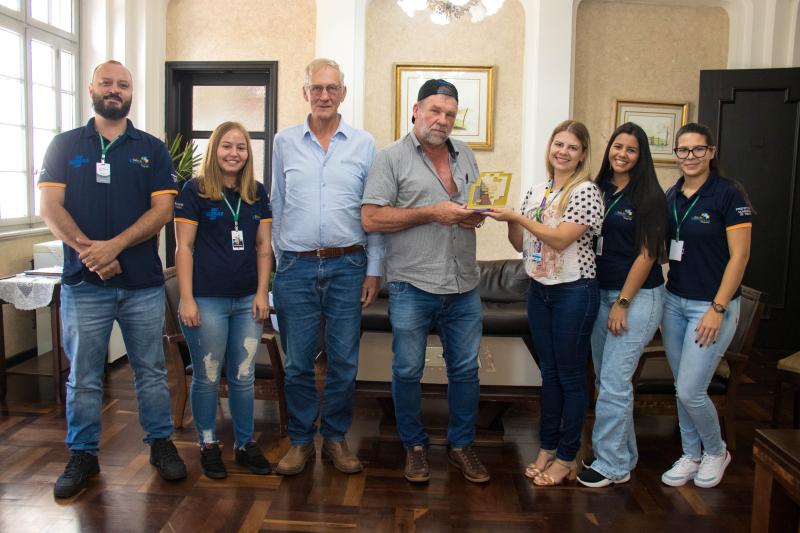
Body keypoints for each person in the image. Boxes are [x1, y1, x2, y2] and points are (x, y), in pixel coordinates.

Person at [38, 60, 186, 498]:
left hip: (141, 284)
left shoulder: (153, 149)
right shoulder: (64, 146)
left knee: (151, 372)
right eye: (107, 82)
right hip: (84, 285)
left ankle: (161, 444)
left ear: (131, 93)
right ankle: (83, 454)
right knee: (83, 376)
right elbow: (50, 209)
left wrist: (114, 246)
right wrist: (93, 252)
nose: (115, 90)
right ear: (91, 88)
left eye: (123, 84)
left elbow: (161, 212)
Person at [362, 79, 490, 484]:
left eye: (450, 114)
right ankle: (414, 446)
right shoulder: (391, 158)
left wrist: (478, 213)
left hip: (464, 283)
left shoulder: (466, 153)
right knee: (407, 370)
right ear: (415, 110)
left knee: (466, 371)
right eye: (435, 110)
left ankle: (461, 446)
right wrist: (431, 212)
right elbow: (371, 218)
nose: (442, 120)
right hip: (412, 285)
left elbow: (479, 202)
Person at [271, 58, 384, 475]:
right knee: (298, 362)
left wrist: (373, 269)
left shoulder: (364, 144)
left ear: (343, 94)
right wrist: (281, 260)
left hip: (348, 266)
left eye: (331, 88)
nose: (323, 95)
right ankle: (300, 442)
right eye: (316, 88)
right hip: (296, 268)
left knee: (343, 362)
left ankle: (335, 439)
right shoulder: (284, 141)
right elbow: (278, 203)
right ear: (305, 92)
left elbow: (373, 211)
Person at [487, 120, 603, 486]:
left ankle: (568, 455)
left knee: (571, 376)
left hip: (574, 291)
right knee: (549, 374)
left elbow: (560, 240)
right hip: (540, 290)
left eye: (572, 147)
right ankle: (546, 446)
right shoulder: (537, 190)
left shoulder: (585, 192)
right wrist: (504, 217)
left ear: (583, 154)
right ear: (549, 147)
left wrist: (517, 216)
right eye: (558, 144)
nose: (563, 152)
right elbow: (523, 245)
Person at [174, 121, 273, 479]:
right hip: (207, 300)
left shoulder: (257, 192)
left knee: (244, 376)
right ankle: (207, 444)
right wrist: (186, 298)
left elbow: (264, 246)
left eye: (241, 148)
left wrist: (263, 292)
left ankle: (245, 444)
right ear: (215, 149)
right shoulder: (194, 191)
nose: (234, 153)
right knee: (207, 376)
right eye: (227, 146)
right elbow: (183, 247)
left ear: (248, 154)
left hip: (248, 299)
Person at [659, 123, 752, 489]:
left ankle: (716, 452)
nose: (691, 157)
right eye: (683, 150)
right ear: (676, 154)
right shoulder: (672, 195)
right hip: (675, 301)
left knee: (690, 390)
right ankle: (691, 454)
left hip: (711, 308)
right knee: (682, 384)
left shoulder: (728, 194)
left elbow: (740, 256)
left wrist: (718, 307)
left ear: (711, 152)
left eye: (699, 149)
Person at [576, 123, 668, 488]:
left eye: (631, 149)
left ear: (640, 156)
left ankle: (610, 464)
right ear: (608, 149)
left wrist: (624, 303)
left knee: (614, 382)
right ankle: (623, 456)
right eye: (617, 146)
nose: (622, 154)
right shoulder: (597, 189)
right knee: (608, 380)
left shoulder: (650, 198)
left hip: (637, 298)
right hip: (600, 293)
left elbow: (648, 256)